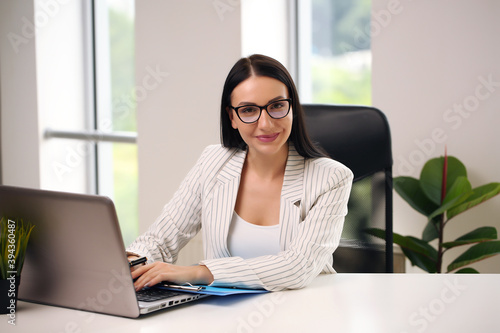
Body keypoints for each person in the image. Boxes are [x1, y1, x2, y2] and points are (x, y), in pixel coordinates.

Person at [127, 54, 353, 292]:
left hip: (302, 315)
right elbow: (160, 239)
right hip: (224, 316)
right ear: (232, 117)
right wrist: (133, 260)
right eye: (248, 110)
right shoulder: (213, 162)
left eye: (276, 106)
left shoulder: (331, 179)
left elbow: (298, 266)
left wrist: (198, 272)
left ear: (292, 108)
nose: (265, 123)